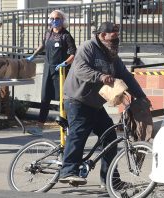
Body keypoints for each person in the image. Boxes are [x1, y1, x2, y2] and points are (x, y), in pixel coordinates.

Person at [58, 22, 149, 187]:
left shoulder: (112, 55)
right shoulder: (88, 47)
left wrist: (142, 96)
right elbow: (80, 69)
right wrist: (100, 76)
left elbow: (126, 76)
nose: (116, 41)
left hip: (96, 104)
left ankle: (110, 180)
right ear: (102, 35)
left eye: (117, 38)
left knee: (110, 137)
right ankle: (68, 170)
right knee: (79, 133)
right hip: (77, 99)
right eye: (113, 38)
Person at [26, 10, 76, 135]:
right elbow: (42, 45)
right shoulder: (48, 33)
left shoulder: (66, 36)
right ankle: (39, 127)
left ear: (62, 20)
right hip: (48, 69)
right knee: (45, 98)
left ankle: (68, 128)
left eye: (57, 18)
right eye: (52, 18)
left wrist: (65, 63)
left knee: (63, 100)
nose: (54, 21)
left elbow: (73, 54)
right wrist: (32, 56)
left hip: (61, 71)